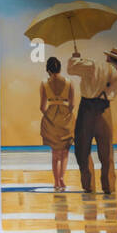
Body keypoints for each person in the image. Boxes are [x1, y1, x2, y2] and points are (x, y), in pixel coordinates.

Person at [66, 47, 117, 194]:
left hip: (87, 109)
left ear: (108, 58)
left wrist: (75, 57)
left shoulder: (94, 65)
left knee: (82, 149)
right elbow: (113, 93)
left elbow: (72, 69)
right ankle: (109, 186)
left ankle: (89, 185)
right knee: (106, 151)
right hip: (105, 110)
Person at [39, 56, 75, 192]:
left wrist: (50, 117)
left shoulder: (44, 83)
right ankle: (61, 178)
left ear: (48, 70)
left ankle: (55, 181)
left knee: (55, 153)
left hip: (51, 117)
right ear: (60, 68)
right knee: (65, 152)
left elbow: (42, 107)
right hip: (66, 117)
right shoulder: (69, 82)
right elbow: (72, 104)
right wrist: (65, 114)